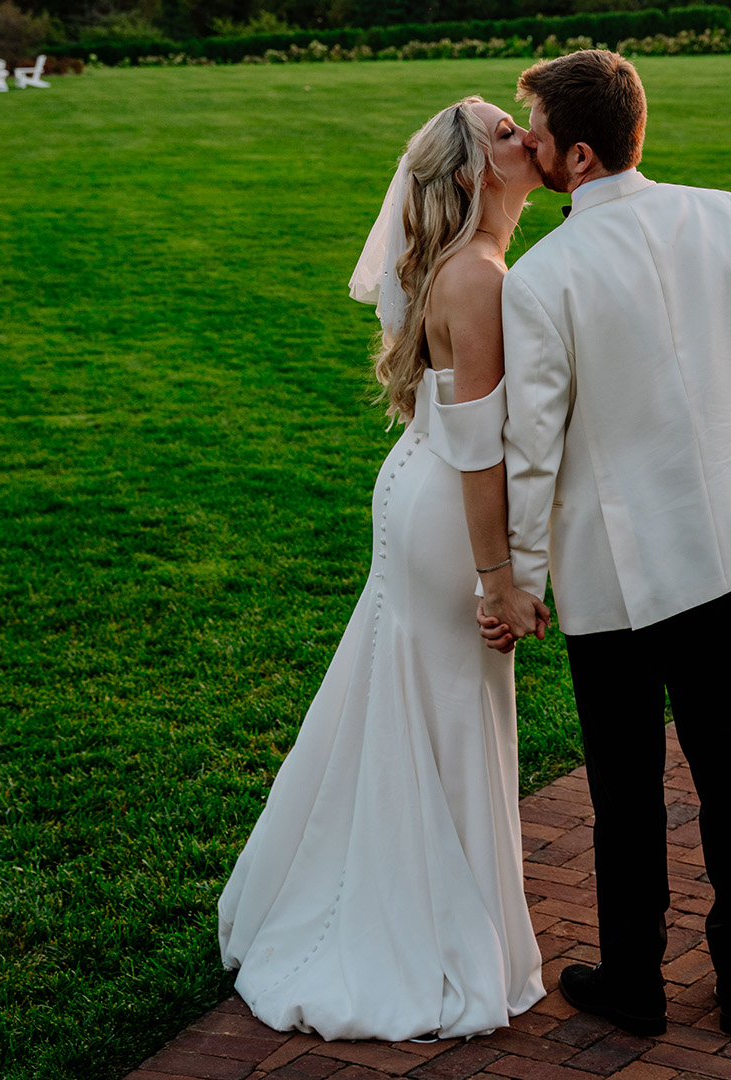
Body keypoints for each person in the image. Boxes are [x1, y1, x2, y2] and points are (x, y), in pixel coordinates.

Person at [481, 50, 731, 1040]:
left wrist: (522, 579)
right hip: (723, 547)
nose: (523, 141)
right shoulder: (722, 213)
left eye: (534, 129)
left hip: (613, 578)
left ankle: (635, 982)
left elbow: (532, 451)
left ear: (577, 156)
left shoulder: (540, 281)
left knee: (626, 793)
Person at [216, 96, 551, 1042]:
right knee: (445, 708)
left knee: (417, 700)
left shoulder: (464, 266)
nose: (523, 138)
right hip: (452, 512)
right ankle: (425, 933)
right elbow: (483, 447)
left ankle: (401, 897)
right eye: (502, 134)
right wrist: (498, 576)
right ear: (467, 177)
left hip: (418, 487)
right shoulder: (477, 278)